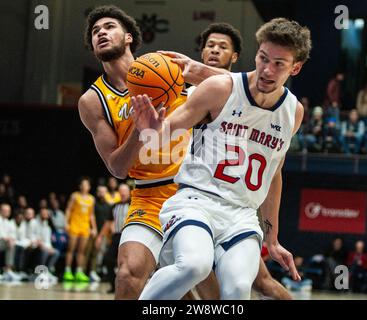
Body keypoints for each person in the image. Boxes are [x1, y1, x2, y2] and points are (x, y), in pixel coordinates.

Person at [133, 17, 311, 299]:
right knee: (194, 266)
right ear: (256, 53)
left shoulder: (293, 112)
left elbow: (274, 173)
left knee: (239, 289)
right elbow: (169, 127)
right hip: (196, 200)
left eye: (279, 64)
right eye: (263, 58)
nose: (267, 69)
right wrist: (152, 130)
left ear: (296, 68)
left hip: (242, 214)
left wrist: (272, 237)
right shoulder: (221, 88)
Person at [79, 5, 226, 299]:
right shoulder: (93, 100)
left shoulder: (168, 67)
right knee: (128, 274)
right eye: (95, 32)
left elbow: (229, 90)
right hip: (148, 196)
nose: (101, 33)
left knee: (211, 294)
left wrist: (201, 72)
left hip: (193, 192)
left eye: (108, 27)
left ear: (129, 36)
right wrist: (139, 128)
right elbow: (117, 168)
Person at [184, 22, 291, 300]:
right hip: (190, 194)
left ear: (235, 57)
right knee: (186, 270)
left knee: (261, 283)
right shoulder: (187, 93)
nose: (214, 50)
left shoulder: (242, 92)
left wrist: (272, 234)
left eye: (222, 46)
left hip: (231, 202)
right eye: (210, 45)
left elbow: (275, 170)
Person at [96, 183, 131, 293]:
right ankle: (113, 285)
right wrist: (100, 237)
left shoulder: (134, 204)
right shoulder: (114, 206)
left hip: (129, 236)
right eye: (121, 191)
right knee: (108, 260)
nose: (122, 193)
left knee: (128, 263)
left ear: (129, 192)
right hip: (116, 236)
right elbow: (108, 223)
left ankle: (129, 287)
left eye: (124, 191)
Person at [63, 177, 97, 282]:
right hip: (74, 225)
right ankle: (67, 271)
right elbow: (68, 209)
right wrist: (66, 223)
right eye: (83, 184)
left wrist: (94, 228)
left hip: (85, 227)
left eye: (87, 185)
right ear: (80, 186)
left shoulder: (92, 199)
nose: (85, 186)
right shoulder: (75, 196)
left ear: (89, 187)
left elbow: (91, 215)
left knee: (81, 251)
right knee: (71, 249)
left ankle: (79, 272)